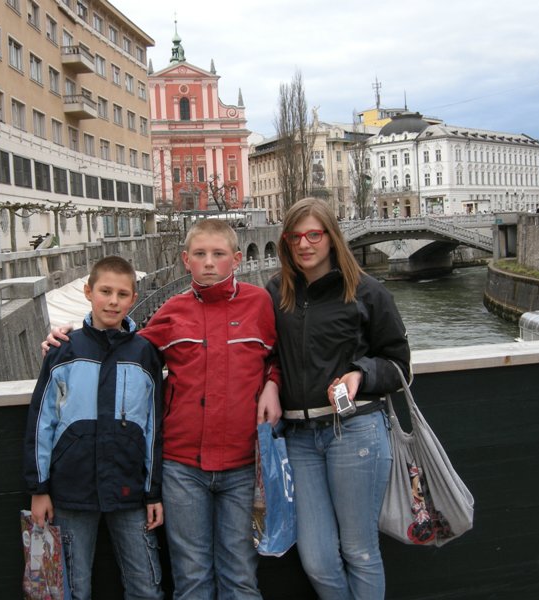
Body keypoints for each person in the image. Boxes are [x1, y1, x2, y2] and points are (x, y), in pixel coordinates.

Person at [45, 219, 281, 600]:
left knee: (240, 574)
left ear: (236, 259)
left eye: (218, 254)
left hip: (242, 464)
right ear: (186, 260)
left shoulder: (259, 303)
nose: (209, 262)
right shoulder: (173, 311)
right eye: (200, 254)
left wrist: (273, 383)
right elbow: (123, 349)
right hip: (183, 468)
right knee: (192, 576)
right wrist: (66, 344)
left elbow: (279, 356)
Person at [266, 197, 411, 600]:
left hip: (355, 431)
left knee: (359, 551)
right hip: (299, 437)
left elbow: (399, 365)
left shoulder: (367, 291)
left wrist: (360, 374)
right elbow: (267, 353)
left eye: (314, 234)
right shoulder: (276, 291)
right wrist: (270, 382)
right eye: (295, 237)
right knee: (316, 559)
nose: (304, 244)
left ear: (332, 237)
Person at [24, 256, 165, 600]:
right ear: (88, 292)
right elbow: (41, 423)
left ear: (133, 299)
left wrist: (153, 492)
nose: (113, 301)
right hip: (72, 489)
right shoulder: (64, 350)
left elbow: (153, 429)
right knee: (72, 586)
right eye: (105, 291)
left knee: (146, 586)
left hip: (130, 488)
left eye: (122, 294)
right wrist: (39, 488)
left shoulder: (144, 354)